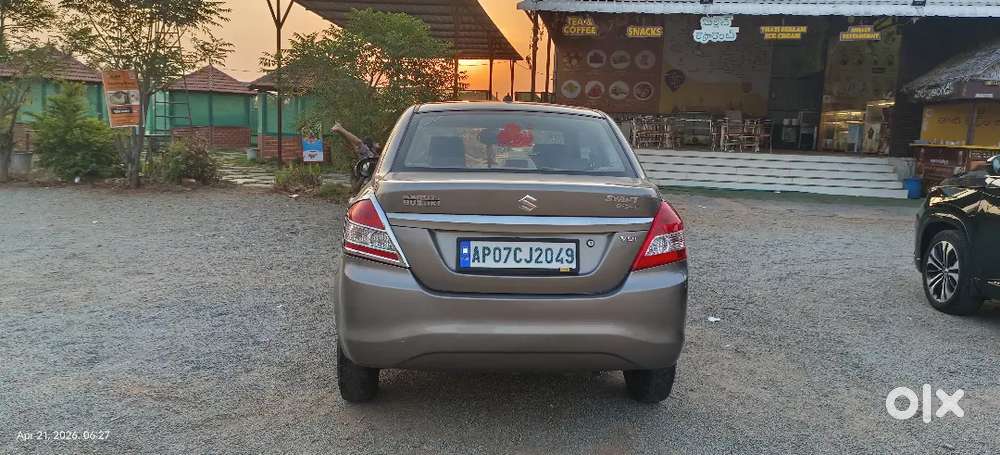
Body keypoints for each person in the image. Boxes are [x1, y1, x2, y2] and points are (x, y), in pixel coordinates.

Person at [331, 122, 379, 192]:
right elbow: (357, 142)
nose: (377, 144)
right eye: (375, 143)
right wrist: (340, 130)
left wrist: (340, 131)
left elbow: (352, 142)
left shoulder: (370, 154)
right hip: (367, 185)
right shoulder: (369, 153)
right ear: (371, 145)